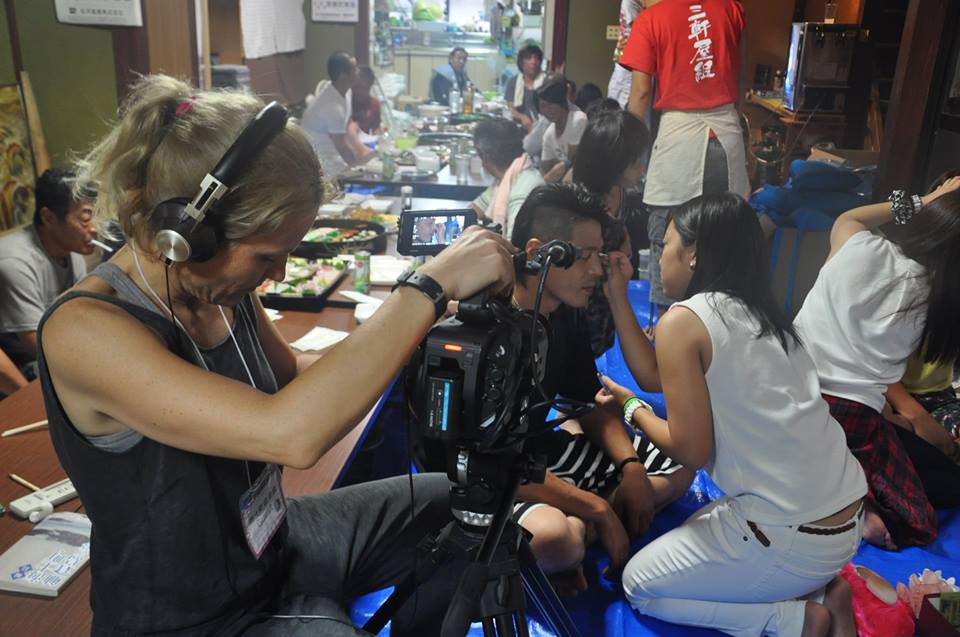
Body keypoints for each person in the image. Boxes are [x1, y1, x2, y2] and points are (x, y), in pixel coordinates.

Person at [38, 74, 515, 635]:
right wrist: (426, 290)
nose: (279, 275)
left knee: (471, 508)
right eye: (268, 255)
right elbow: (289, 431)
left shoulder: (213, 291)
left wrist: (417, 346)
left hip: (270, 544)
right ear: (192, 233)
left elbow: (292, 377)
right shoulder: (86, 331)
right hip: (190, 616)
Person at [598, 193, 866, 637]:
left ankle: (796, 619)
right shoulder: (761, 312)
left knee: (641, 584)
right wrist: (617, 296)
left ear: (694, 253)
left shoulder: (685, 319)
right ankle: (822, 591)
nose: (659, 256)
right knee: (697, 522)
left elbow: (690, 448)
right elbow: (651, 373)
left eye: (666, 245)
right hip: (844, 516)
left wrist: (630, 409)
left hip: (795, 535)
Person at [507, 184, 691, 593]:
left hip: (538, 456)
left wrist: (632, 468)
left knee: (685, 462)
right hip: (488, 477)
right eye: (583, 256)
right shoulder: (492, 325)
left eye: (598, 256)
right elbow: (496, 465)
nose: (595, 270)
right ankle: (589, 522)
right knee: (553, 539)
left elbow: (587, 402)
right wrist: (601, 511)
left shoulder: (562, 310)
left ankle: (584, 526)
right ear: (538, 252)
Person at [794, 175, 960, 550]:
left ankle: (837, 487)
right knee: (933, 499)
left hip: (786, 392)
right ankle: (851, 502)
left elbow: (851, 216)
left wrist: (931, 198)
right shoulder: (935, 302)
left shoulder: (859, 245)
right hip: (849, 419)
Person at [619, 0, 750, 315]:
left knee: (673, 240)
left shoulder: (650, 20)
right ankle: (719, 333)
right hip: (727, 134)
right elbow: (735, 68)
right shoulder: (731, 7)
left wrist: (629, 157)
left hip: (680, 139)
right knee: (724, 242)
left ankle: (670, 334)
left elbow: (639, 95)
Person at [0, 168, 97, 379]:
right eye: (85, 219)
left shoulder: (72, 253)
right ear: (49, 217)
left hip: (54, 348)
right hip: (21, 365)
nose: (95, 228)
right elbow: (36, 345)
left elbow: (81, 315)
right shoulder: (15, 263)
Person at [572, 109, 650, 356]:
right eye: (634, 161)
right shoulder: (582, 205)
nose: (641, 166)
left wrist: (624, 238)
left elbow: (620, 223)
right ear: (611, 163)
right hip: (584, 299)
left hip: (611, 293)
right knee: (586, 351)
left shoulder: (619, 190)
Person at [301, 51, 374, 178]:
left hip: (334, 157)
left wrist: (360, 149)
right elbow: (341, 146)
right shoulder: (332, 107)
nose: (358, 71)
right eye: (354, 69)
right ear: (343, 76)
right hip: (322, 165)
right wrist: (357, 168)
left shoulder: (344, 93)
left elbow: (347, 125)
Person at [470, 118, 545, 239]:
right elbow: (475, 209)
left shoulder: (524, 189)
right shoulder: (506, 180)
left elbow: (513, 243)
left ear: (484, 157)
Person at [537, 79, 588, 183]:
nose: (547, 110)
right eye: (543, 106)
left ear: (562, 102)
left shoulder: (578, 120)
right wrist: (546, 179)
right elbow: (544, 168)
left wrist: (549, 178)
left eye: (552, 104)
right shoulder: (549, 134)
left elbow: (573, 163)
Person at [608, 0, 644, 107]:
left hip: (633, 57)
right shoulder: (630, 1)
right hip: (628, 57)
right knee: (621, 99)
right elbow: (640, 28)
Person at [505, 44, 545, 131]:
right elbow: (511, 108)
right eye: (529, 58)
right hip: (519, 128)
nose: (533, 62)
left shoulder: (546, 82)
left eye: (536, 58)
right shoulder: (513, 82)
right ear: (521, 62)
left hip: (543, 129)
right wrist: (522, 117)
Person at [351, 65, 382, 134]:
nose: (359, 90)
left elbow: (376, 127)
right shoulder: (346, 102)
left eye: (364, 87)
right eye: (356, 86)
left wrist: (379, 135)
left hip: (366, 142)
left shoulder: (374, 104)